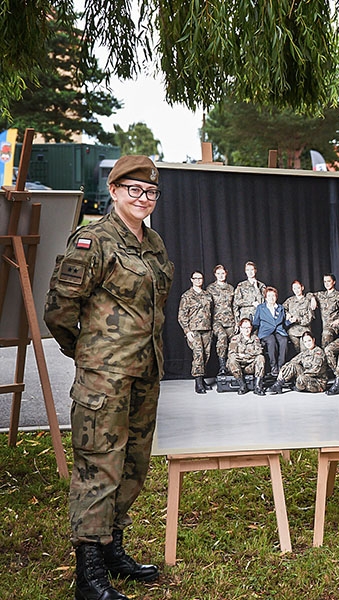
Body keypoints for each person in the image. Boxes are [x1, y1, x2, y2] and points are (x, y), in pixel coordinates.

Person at [44, 155, 173, 599]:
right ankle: (89, 575)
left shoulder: (153, 243)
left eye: (151, 191)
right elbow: (60, 310)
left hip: (144, 373)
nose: (143, 198)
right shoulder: (92, 240)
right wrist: (87, 354)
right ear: (114, 191)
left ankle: (113, 548)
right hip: (105, 380)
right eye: (134, 189)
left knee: (133, 466)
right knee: (98, 468)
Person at [177, 271, 213, 394]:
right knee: (198, 354)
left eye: (200, 278)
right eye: (195, 278)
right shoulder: (187, 296)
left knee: (206, 355)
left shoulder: (207, 295)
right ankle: (198, 383)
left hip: (207, 329)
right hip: (194, 330)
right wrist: (187, 331)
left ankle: (202, 380)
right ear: (191, 280)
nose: (198, 280)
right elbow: (181, 316)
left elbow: (211, 313)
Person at [252, 286, 289, 375]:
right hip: (265, 332)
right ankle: (274, 366)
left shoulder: (280, 308)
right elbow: (256, 322)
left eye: (273, 296)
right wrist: (252, 333)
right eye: (269, 296)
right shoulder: (261, 308)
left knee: (284, 340)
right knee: (271, 341)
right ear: (265, 297)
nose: (271, 298)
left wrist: (290, 321)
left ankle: (281, 365)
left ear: (276, 297)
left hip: (279, 330)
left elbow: (284, 323)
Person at [225, 318, 267, 395]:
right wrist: (250, 356)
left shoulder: (255, 338)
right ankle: (242, 386)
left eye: (248, 327)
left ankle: (257, 386)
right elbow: (231, 353)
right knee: (232, 359)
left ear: (251, 328)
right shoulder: (235, 339)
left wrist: (244, 356)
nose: (246, 330)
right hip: (237, 367)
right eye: (244, 328)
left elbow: (259, 351)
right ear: (240, 328)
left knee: (260, 357)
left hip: (250, 367)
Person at [207, 264, 236, 374]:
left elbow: (234, 305)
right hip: (217, 321)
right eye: (218, 273)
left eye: (223, 273)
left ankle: (232, 365)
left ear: (226, 273)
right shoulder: (210, 289)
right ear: (215, 274)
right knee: (222, 337)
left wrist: (237, 322)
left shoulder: (231, 288)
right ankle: (222, 366)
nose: (221, 275)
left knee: (235, 341)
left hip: (230, 321)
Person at [283, 280, 315, 351]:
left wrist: (297, 320)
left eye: (298, 288)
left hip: (304, 331)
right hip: (292, 332)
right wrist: (287, 314)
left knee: (304, 351)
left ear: (302, 287)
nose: (296, 290)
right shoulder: (290, 300)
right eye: (294, 288)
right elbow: (282, 309)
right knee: (294, 352)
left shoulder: (307, 300)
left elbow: (309, 318)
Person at [315, 273, 339, 347]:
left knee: (326, 334)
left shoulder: (338, 296)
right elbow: (309, 294)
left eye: (329, 281)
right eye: (325, 281)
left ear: (334, 282)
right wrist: (312, 299)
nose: (326, 283)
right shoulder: (322, 295)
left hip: (335, 326)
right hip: (324, 326)